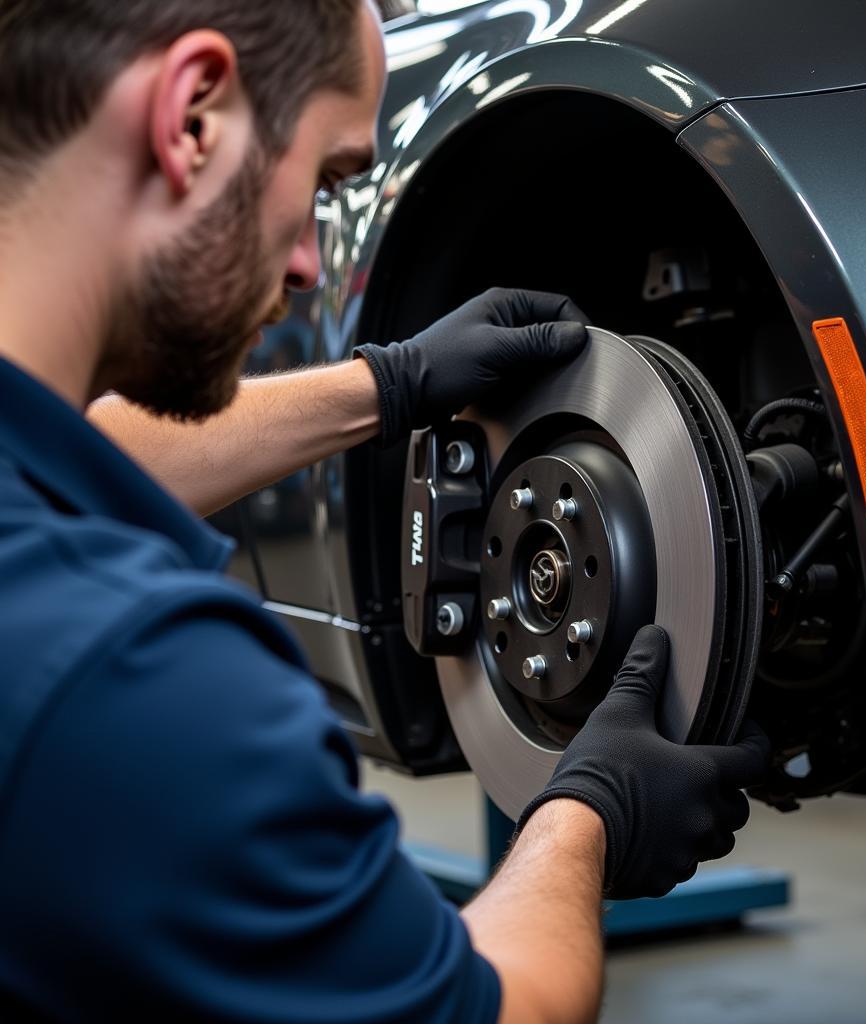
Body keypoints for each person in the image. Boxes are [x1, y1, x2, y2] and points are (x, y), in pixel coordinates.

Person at [0, 1, 770, 1020]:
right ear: (192, 117)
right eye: (323, 182)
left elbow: (79, 452)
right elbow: (497, 1008)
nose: (313, 264)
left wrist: (390, 381)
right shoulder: (139, 681)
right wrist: (588, 815)